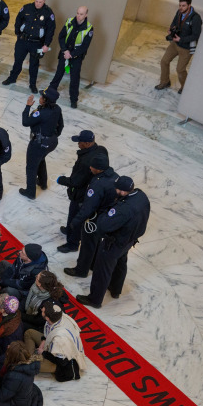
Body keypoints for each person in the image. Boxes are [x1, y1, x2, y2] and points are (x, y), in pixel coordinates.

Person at [76, 176, 150, 308]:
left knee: (102, 270)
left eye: (117, 189)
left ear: (122, 191)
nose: (115, 191)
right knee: (121, 264)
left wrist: (104, 213)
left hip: (114, 242)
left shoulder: (123, 209)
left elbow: (103, 225)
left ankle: (95, 299)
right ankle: (115, 290)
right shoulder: (141, 196)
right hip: (129, 240)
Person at [56, 130, 109, 254]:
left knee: (74, 217)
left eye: (80, 142)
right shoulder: (101, 149)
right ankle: (70, 230)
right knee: (75, 217)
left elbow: (76, 181)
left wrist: (61, 180)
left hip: (81, 194)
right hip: (91, 188)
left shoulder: (86, 161)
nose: (78, 144)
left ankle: (72, 243)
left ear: (87, 143)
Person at [58, 152, 117, 254]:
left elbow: (88, 208)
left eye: (92, 166)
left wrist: (74, 222)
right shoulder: (114, 175)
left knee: (78, 225)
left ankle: (72, 244)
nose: (90, 168)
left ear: (98, 169)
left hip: (95, 213)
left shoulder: (98, 184)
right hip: (104, 212)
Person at [2, 0, 55, 93]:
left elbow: (50, 31)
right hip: (23, 41)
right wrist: (18, 33)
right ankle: (12, 78)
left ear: (44, 0)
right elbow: (18, 20)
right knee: (17, 61)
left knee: (34, 65)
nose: (38, 4)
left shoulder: (48, 13)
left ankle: (32, 84)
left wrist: (46, 45)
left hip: (37, 43)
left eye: (40, 2)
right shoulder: (27, 8)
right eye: (36, 1)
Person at [18, 87, 64, 199]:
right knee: (41, 159)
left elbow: (25, 122)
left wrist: (28, 106)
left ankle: (30, 192)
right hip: (51, 142)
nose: (40, 98)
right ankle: (43, 183)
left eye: (42, 97)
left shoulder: (41, 113)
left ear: (45, 100)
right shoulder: (57, 109)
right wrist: (51, 136)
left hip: (38, 144)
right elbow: (61, 125)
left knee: (31, 167)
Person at [24, 300, 86, 381]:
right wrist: (43, 343)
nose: (41, 309)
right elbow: (47, 333)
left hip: (60, 362)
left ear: (47, 317)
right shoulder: (57, 317)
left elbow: (60, 361)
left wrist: (43, 353)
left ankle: (30, 360)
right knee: (29, 333)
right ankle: (30, 357)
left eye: (42, 311)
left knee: (29, 366)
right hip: (51, 345)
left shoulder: (60, 339)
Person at [155, 0, 202, 94]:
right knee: (164, 61)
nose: (181, 7)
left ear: (189, 5)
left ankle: (185, 87)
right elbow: (174, 22)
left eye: (183, 6)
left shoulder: (196, 18)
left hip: (186, 48)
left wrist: (182, 39)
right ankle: (165, 82)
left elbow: (196, 35)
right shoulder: (179, 12)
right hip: (175, 43)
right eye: (180, 5)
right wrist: (171, 29)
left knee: (180, 69)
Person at [48, 6, 93, 108]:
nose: (78, 16)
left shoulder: (89, 28)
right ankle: (50, 91)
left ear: (86, 15)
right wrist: (65, 50)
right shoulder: (69, 21)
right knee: (59, 72)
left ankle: (73, 100)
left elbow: (84, 46)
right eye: (77, 13)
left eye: (81, 14)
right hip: (65, 52)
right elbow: (61, 36)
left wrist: (71, 54)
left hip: (76, 57)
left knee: (74, 79)